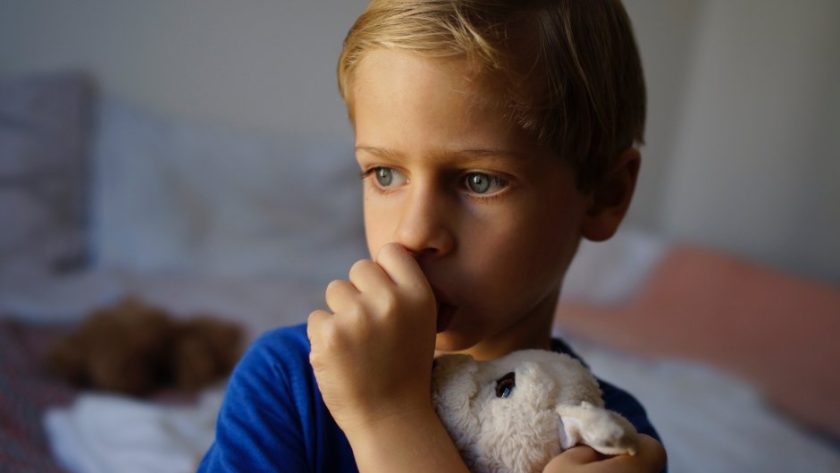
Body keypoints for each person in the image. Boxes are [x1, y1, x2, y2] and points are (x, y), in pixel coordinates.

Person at [198, 0, 667, 471]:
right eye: (384, 174)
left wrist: (392, 419)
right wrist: (385, 413)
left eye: (480, 181)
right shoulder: (292, 381)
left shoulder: (606, 437)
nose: (414, 232)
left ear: (605, 195)